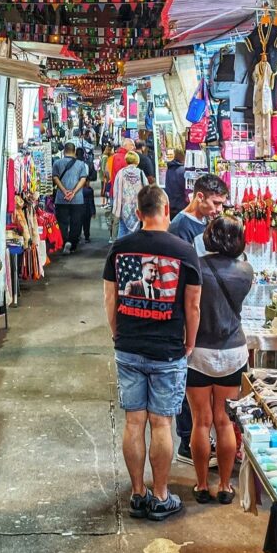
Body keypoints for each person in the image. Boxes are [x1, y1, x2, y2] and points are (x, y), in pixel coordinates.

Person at [103, 184, 201, 521]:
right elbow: (193, 304)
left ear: (138, 212)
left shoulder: (121, 247)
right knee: (162, 424)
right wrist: (189, 341)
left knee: (134, 422)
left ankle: (137, 493)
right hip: (168, 350)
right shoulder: (184, 251)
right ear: (166, 210)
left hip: (129, 345)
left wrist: (118, 331)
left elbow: (109, 298)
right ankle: (161, 496)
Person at [186, 216, 253, 504]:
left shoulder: (196, 268)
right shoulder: (246, 271)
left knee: (200, 422)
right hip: (233, 352)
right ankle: (225, 486)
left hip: (198, 351)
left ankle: (202, 485)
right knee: (225, 422)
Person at [168, 172, 229, 463]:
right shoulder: (180, 227)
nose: (219, 209)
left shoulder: (207, 222)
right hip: (186, 312)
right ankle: (186, 442)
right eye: (216, 203)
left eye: (222, 205)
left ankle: (199, 439)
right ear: (199, 197)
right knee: (186, 378)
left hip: (204, 310)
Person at [52, 142, 88, 254]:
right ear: (75, 151)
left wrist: (64, 191)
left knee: (62, 222)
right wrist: (73, 192)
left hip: (61, 199)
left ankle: (64, 242)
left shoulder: (57, 163)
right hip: (77, 199)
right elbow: (83, 179)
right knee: (76, 223)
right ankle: (72, 245)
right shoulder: (81, 164)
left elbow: (55, 178)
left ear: (64, 151)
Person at [113, 151, 147, 238]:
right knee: (135, 233)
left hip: (123, 207)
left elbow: (116, 190)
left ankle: (121, 250)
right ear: (137, 161)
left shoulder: (121, 173)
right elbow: (146, 190)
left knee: (122, 230)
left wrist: (116, 207)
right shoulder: (141, 173)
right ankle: (132, 250)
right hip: (137, 208)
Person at [76, 147, 98, 244]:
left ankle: (77, 236)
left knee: (78, 223)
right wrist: (93, 212)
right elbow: (91, 202)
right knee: (86, 224)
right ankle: (87, 236)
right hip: (87, 210)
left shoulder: (74, 165)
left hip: (78, 206)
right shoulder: (89, 190)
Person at [164, 148, 189, 216]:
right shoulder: (182, 170)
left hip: (171, 204)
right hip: (181, 205)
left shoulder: (169, 169)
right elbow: (185, 188)